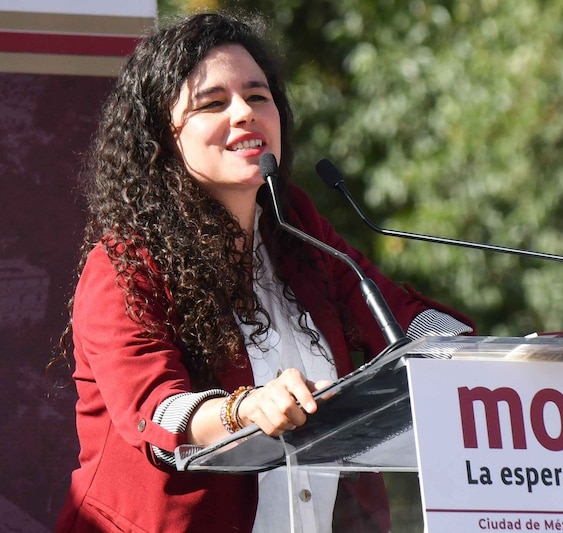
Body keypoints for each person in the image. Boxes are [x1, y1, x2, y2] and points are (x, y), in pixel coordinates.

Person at [53, 11, 474, 533]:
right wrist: (246, 410)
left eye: (258, 97)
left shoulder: (296, 225)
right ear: (162, 137)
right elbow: (156, 412)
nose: (245, 114)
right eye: (213, 102)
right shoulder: (125, 262)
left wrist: (484, 360)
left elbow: (398, 317)